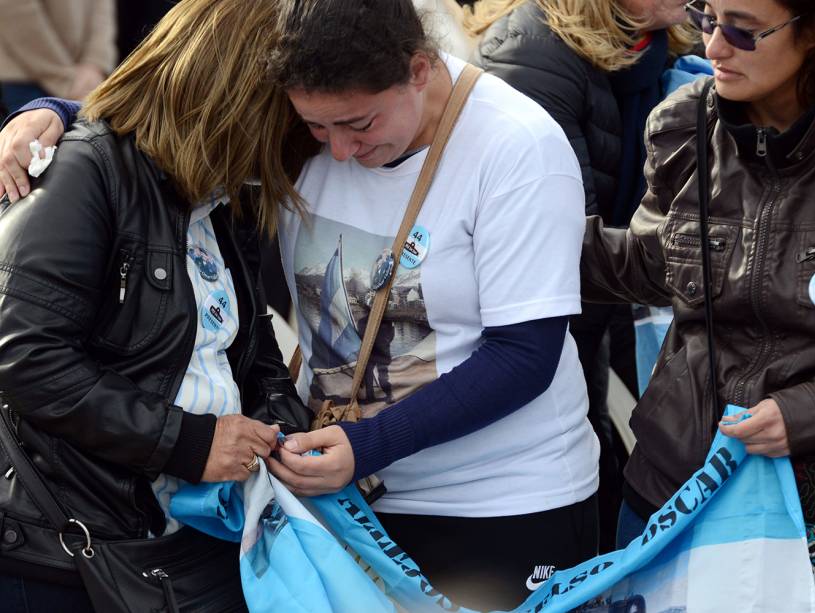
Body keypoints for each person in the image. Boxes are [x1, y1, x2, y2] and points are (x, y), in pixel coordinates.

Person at [1, 0, 600, 609]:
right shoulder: (307, 121)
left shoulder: (516, 145)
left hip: (497, 503)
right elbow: (164, 123)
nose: (339, 150)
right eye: (317, 130)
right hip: (344, 502)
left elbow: (526, 354)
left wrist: (367, 445)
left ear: (419, 70)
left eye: (360, 125)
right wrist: (55, 115)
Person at [580, 0, 815, 608]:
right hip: (675, 485)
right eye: (707, 17)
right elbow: (656, 265)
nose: (713, 46)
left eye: (743, 27)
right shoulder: (680, 125)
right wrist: (521, 236)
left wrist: (812, 413)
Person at [0, 0, 314, 610]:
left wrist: (287, 433)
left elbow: (246, 343)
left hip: (179, 544)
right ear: (238, 102)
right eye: (290, 125)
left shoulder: (223, 192)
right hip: (66, 552)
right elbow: (24, 356)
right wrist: (189, 443)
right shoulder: (87, 169)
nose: (300, 151)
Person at [467, 0, 695, 553]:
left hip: (601, 309)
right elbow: (564, 254)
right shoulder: (532, 56)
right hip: (540, 334)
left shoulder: (659, 45)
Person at [0, 0, 117, 110]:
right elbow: (14, 11)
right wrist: (64, 78)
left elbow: (102, 9)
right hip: (26, 80)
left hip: (85, 80)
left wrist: (94, 64)